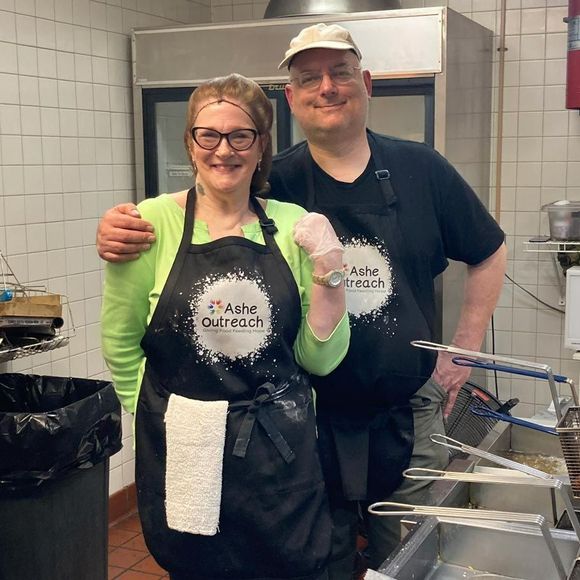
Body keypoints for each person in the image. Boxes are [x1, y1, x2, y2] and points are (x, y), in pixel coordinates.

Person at [97, 24, 507, 579]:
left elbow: (488, 250)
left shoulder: (421, 169)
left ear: (365, 84)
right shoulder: (277, 185)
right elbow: (213, 203)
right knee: (323, 559)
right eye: (309, 78)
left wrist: (463, 350)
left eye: (340, 73)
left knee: (408, 556)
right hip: (311, 422)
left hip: (406, 409)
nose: (327, 88)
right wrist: (122, 225)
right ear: (290, 98)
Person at [101, 73, 350, 580]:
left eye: (241, 135)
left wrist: (329, 268)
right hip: (189, 445)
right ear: (190, 144)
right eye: (207, 135)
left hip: (280, 447)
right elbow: (121, 342)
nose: (223, 150)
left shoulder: (292, 224)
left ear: (261, 147)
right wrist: (161, 419)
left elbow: (320, 358)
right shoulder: (150, 224)